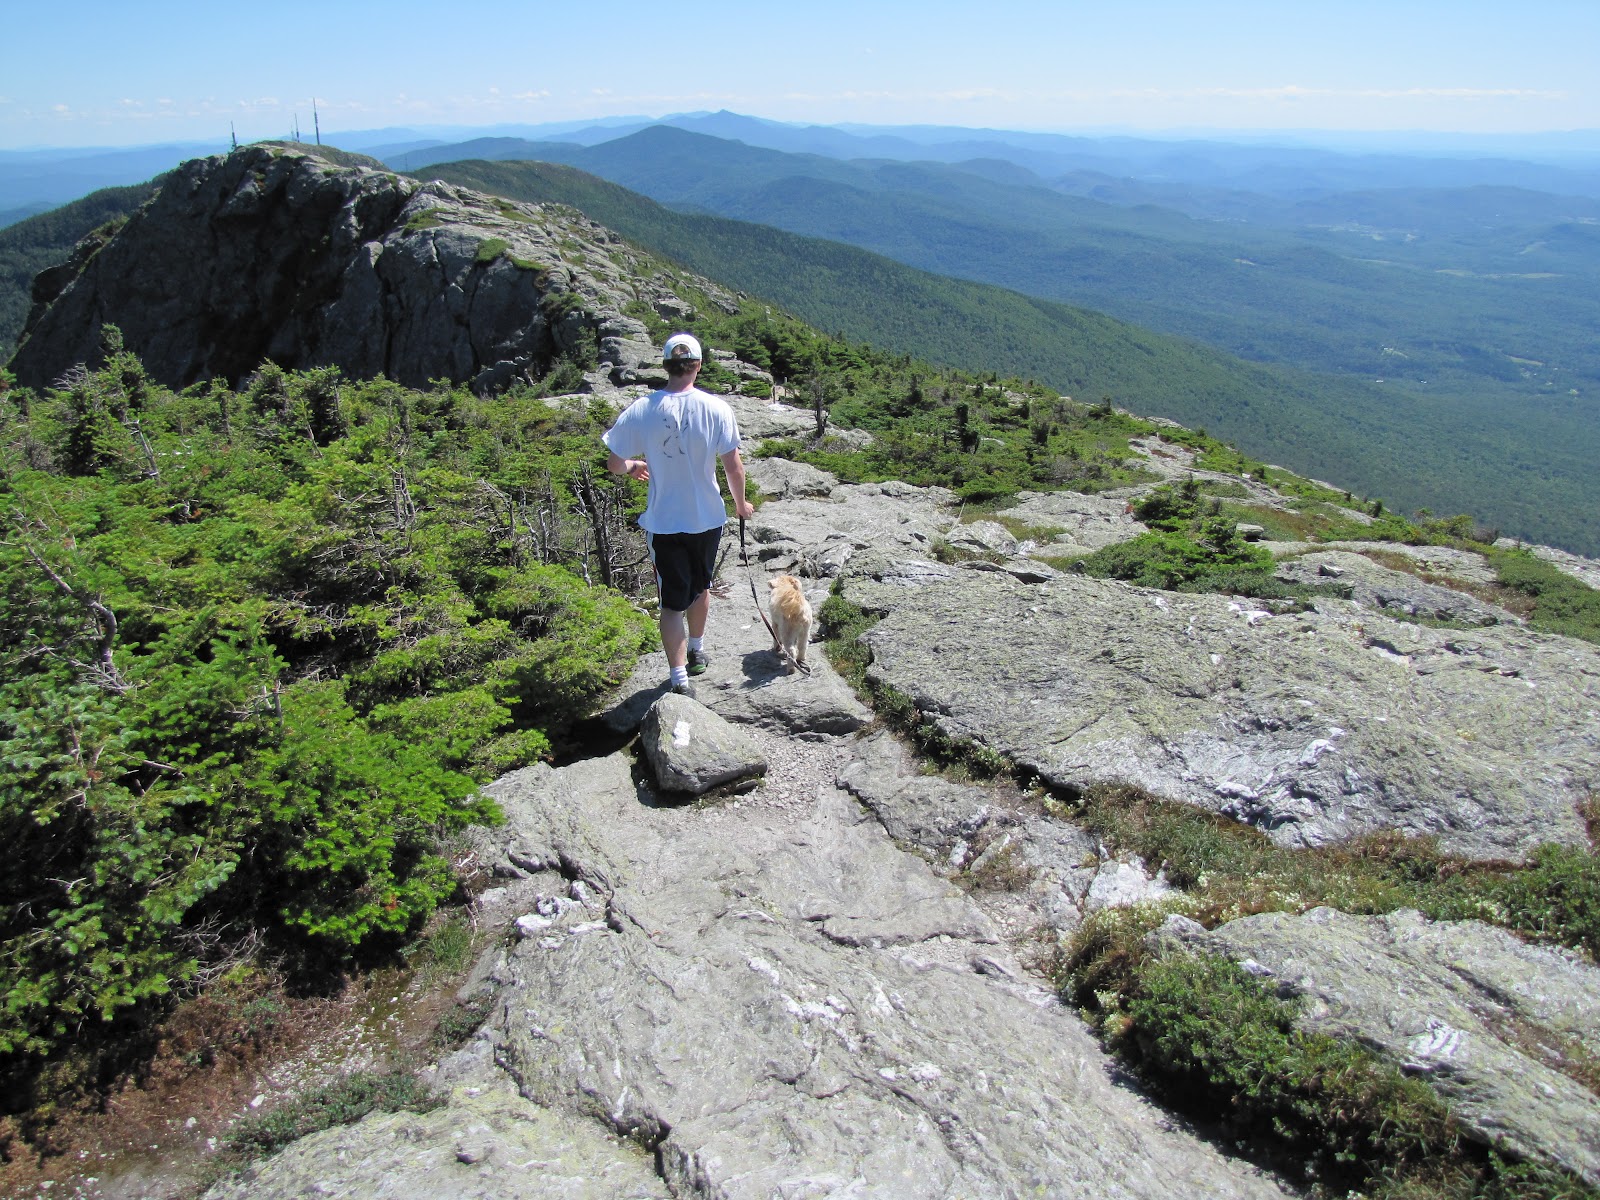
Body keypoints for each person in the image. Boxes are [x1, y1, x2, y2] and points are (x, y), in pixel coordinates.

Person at [603, 333, 754, 698]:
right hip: (707, 518)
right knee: (701, 586)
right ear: (698, 365)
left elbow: (614, 462)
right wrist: (740, 505)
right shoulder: (717, 409)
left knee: (671, 603)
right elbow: (733, 466)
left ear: (666, 365)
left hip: (665, 522)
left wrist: (635, 465)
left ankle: (678, 677)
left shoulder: (643, 408)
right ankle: (698, 649)